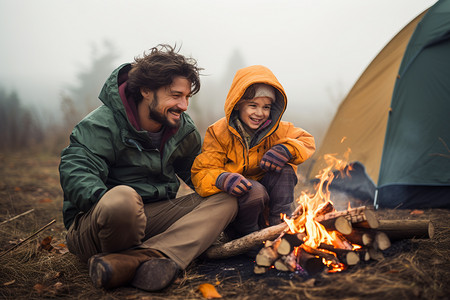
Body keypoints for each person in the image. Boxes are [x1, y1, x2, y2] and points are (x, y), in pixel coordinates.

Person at [59, 44, 238, 292]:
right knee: (123, 199)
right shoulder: (101, 124)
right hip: (98, 224)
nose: (184, 105)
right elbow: (77, 172)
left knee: (226, 199)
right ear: (145, 90)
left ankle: (144, 258)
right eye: (176, 95)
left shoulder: (182, 128)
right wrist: (108, 202)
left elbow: (199, 172)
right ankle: (139, 254)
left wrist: (226, 179)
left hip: (151, 217)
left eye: (187, 97)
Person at [191, 65, 315, 241]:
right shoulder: (218, 132)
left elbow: (307, 141)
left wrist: (287, 149)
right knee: (254, 191)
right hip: (240, 205)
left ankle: (280, 228)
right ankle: (247, 237)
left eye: (266, 107)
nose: (260, 113)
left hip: (269, 202)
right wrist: (223, 178)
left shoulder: (278, 129)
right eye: (253, 105)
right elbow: (202, 171)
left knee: (285, 171)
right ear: (238, 105)